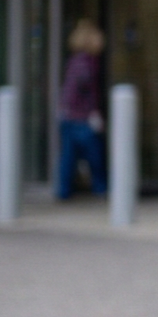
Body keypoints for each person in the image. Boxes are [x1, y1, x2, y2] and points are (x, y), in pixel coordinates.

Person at [56, 18, 106, 199]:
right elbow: (87, 89)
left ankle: (63, 191)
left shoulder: (74, 60)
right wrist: (94, 113)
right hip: (81, 117)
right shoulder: (88, 62)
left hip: (67, 114)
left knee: (68, 157)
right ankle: (100, 189)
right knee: (95, 156)